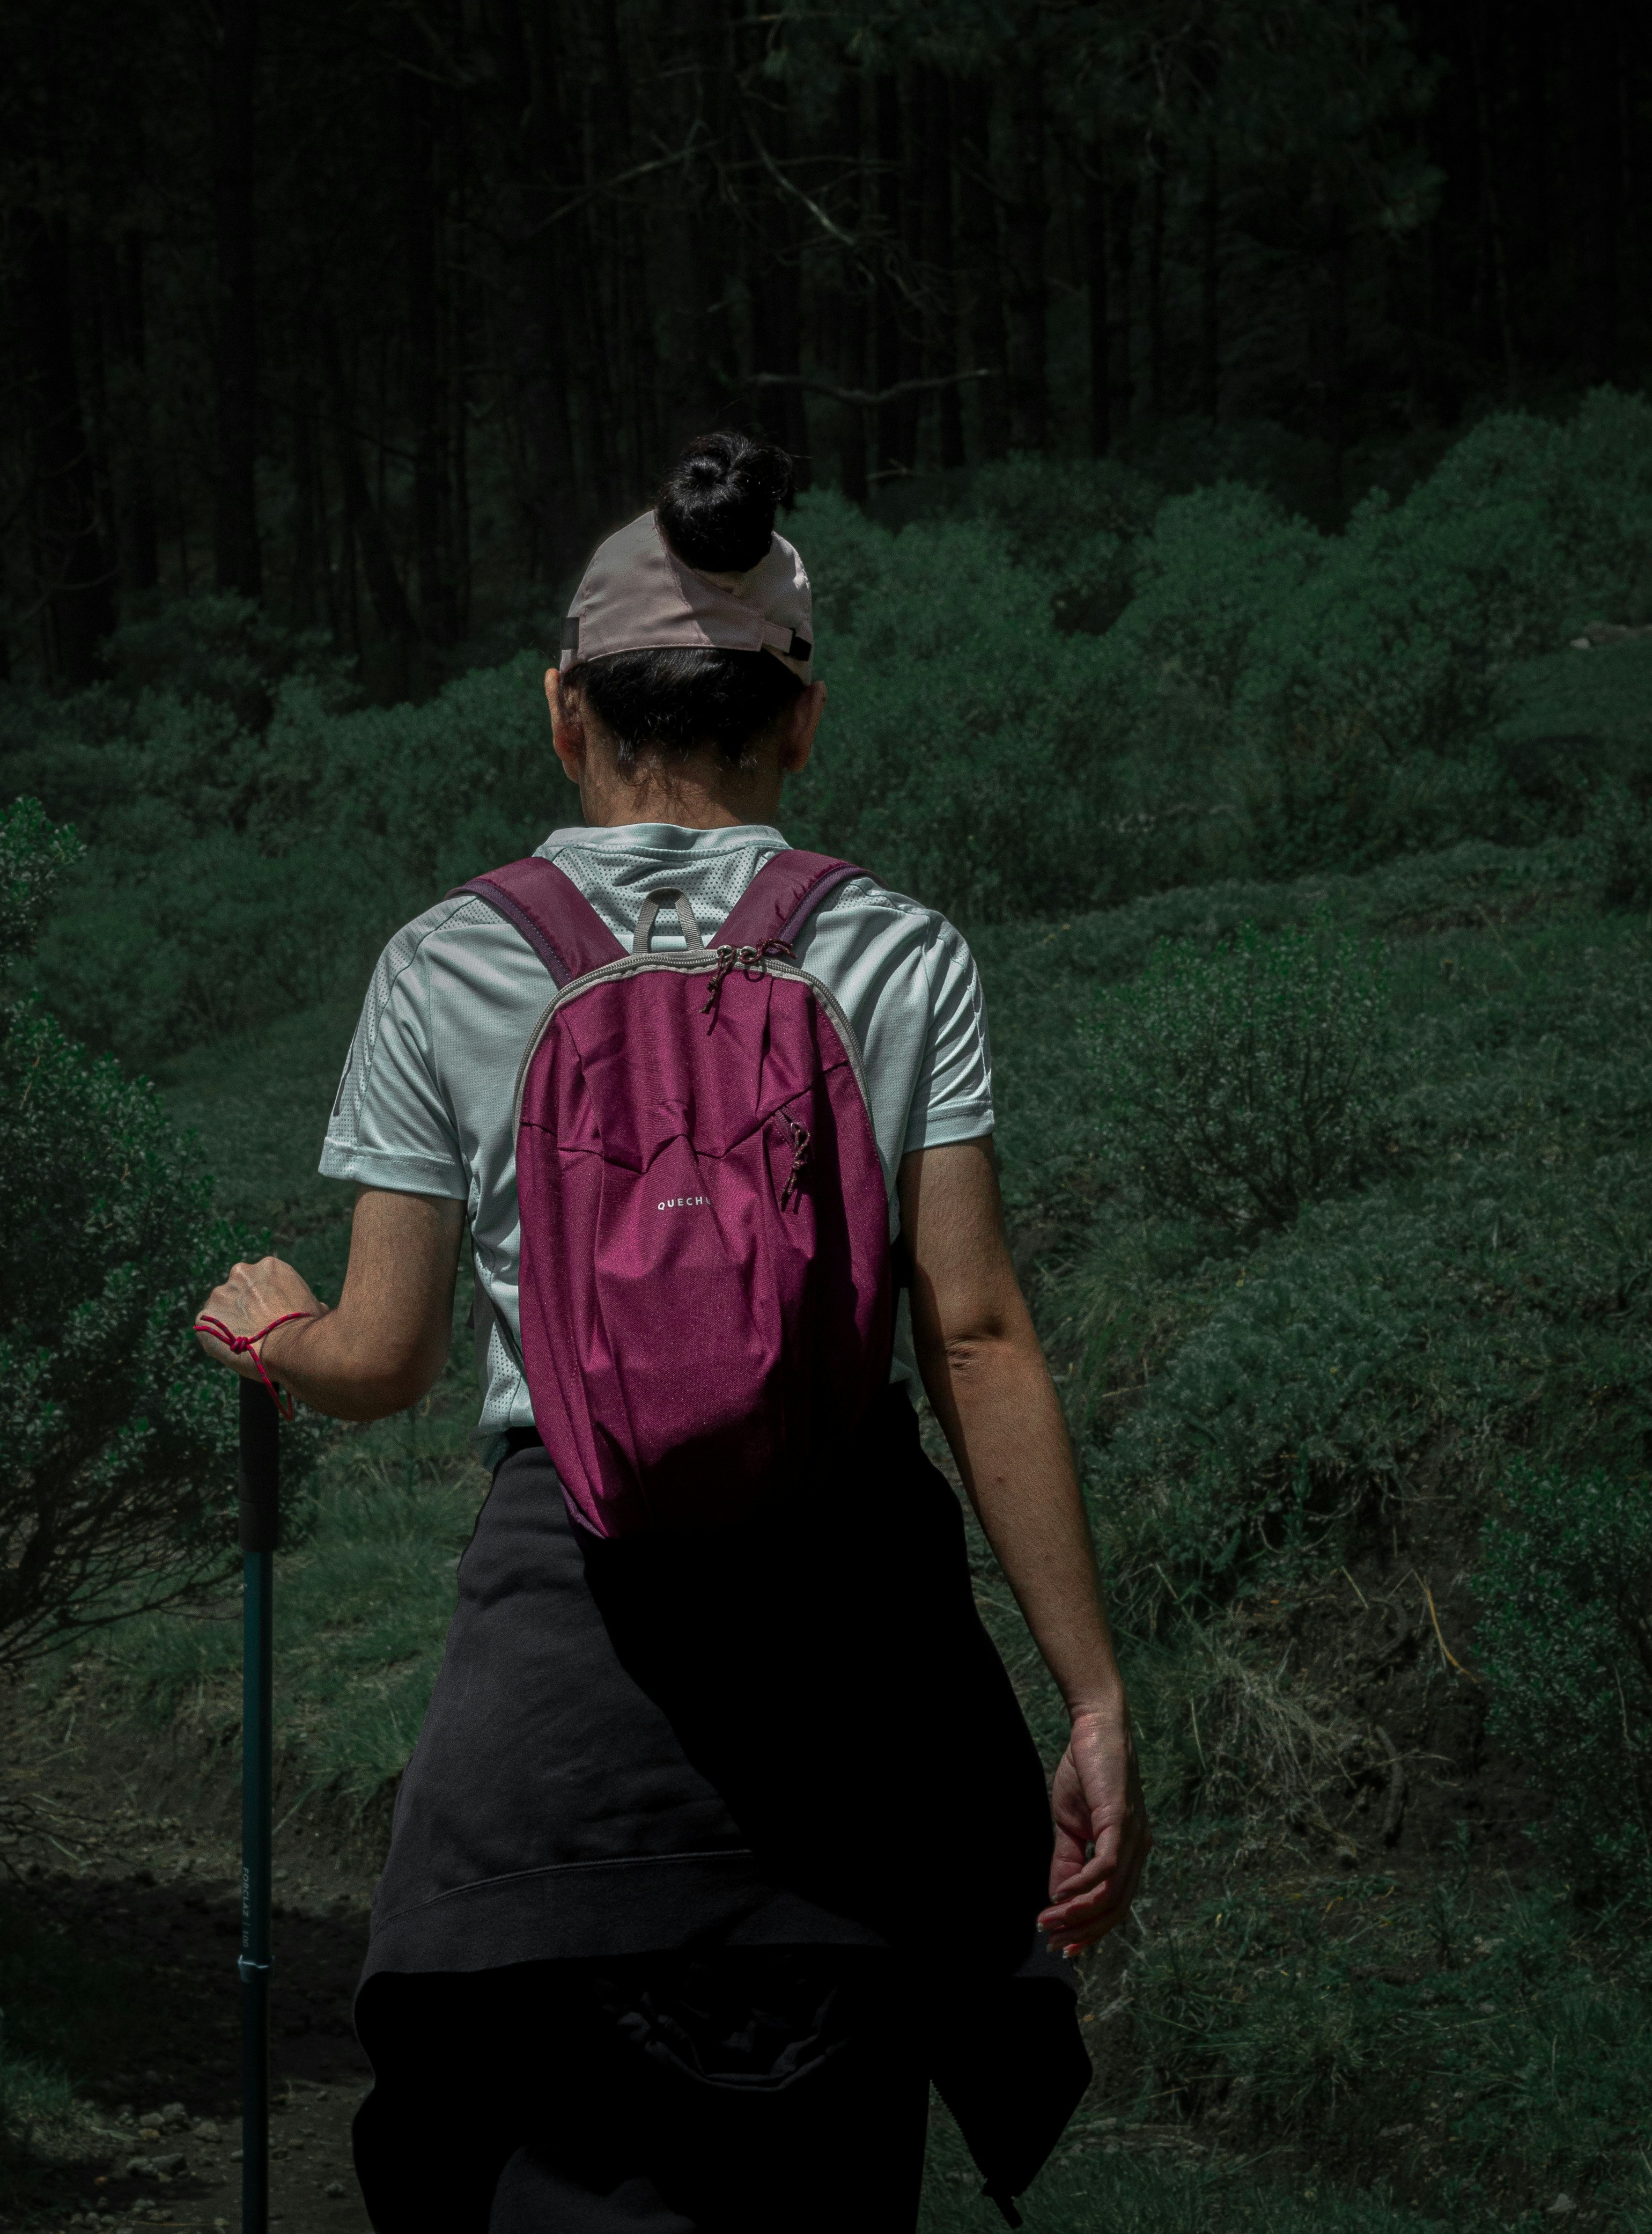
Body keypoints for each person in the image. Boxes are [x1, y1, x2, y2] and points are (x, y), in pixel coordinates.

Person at [195, 433, 1150, 2234]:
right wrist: (1090, 1697)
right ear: (800, 723)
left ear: (566, 712)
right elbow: (979, 1334)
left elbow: (386, 1363)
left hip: (562, 1738)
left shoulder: (448, 963)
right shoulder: (895, 952)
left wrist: (278, 1330)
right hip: (858, 1732)